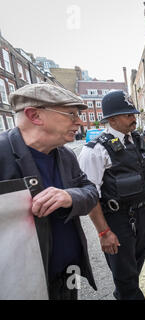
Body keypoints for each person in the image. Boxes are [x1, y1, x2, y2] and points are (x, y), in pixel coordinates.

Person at [0, 83, 98, 300]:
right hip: (21, 288)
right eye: (71, 114)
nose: (80, 122)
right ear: (35, 115)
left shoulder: (65, 155)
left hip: (66, 278)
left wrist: (70, 196)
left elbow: (90, 191)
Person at [78, 90, 145, 300]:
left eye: (133, 113)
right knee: (125, 276)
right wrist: (103, 232)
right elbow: (90, 196)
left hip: (144, 213)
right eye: (128, 115)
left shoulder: (138, 139)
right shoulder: (94, 151)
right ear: (112, 119)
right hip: (117, 220)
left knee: (135, 264)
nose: (134, 118)